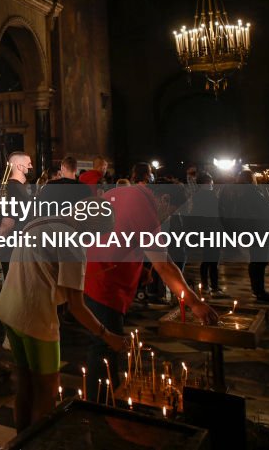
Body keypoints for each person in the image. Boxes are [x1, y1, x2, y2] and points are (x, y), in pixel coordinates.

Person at [83, 163, 217, 399]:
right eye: (171, 211)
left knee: (102, 345)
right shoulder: (145, 207)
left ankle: (104, 400)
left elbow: (119, 234)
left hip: (93, 272)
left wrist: (138, 269)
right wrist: (194, 303)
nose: (166, 217)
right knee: (105, 347)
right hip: (104, 282)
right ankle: (100, 407)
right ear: (164, 198)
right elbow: (164, 265)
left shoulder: (125, 192)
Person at [0, 211, 129, 430]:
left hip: (11, 310)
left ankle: (20, 442)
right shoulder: (73, 244)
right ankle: (38, 445)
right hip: (36, 318)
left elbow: (42, 269)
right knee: (46, 392)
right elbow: (77, 307)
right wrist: (108, 335)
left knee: (25, 386)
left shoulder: (41, 221)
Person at [220, 170, 269, 304]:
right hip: (259, 230)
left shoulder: (239, 192)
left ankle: (258, 290)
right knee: (259, 261)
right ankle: (259, 291)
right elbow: (263, 211)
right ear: (251, 179)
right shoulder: (251, 192)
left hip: (252, 231)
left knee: (257, 261)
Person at [0, 152, 34, 278]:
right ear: (19, 166)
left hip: (22, 247)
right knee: (15, 289)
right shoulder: (12, 188)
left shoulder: (18, 187)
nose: (31, 167)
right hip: (14, 249)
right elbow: (8, 219)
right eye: (29, 164)